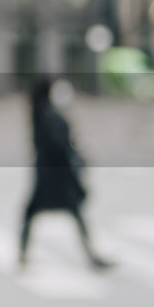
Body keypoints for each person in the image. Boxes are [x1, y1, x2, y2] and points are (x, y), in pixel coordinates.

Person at [17, 75, 113, 271]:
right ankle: (91, 256)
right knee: (72, 212)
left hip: (46, 175)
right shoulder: (51, 116)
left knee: (33, 213)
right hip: (57, 176)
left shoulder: (39, 112)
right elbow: (62, 146)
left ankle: (23, 256)